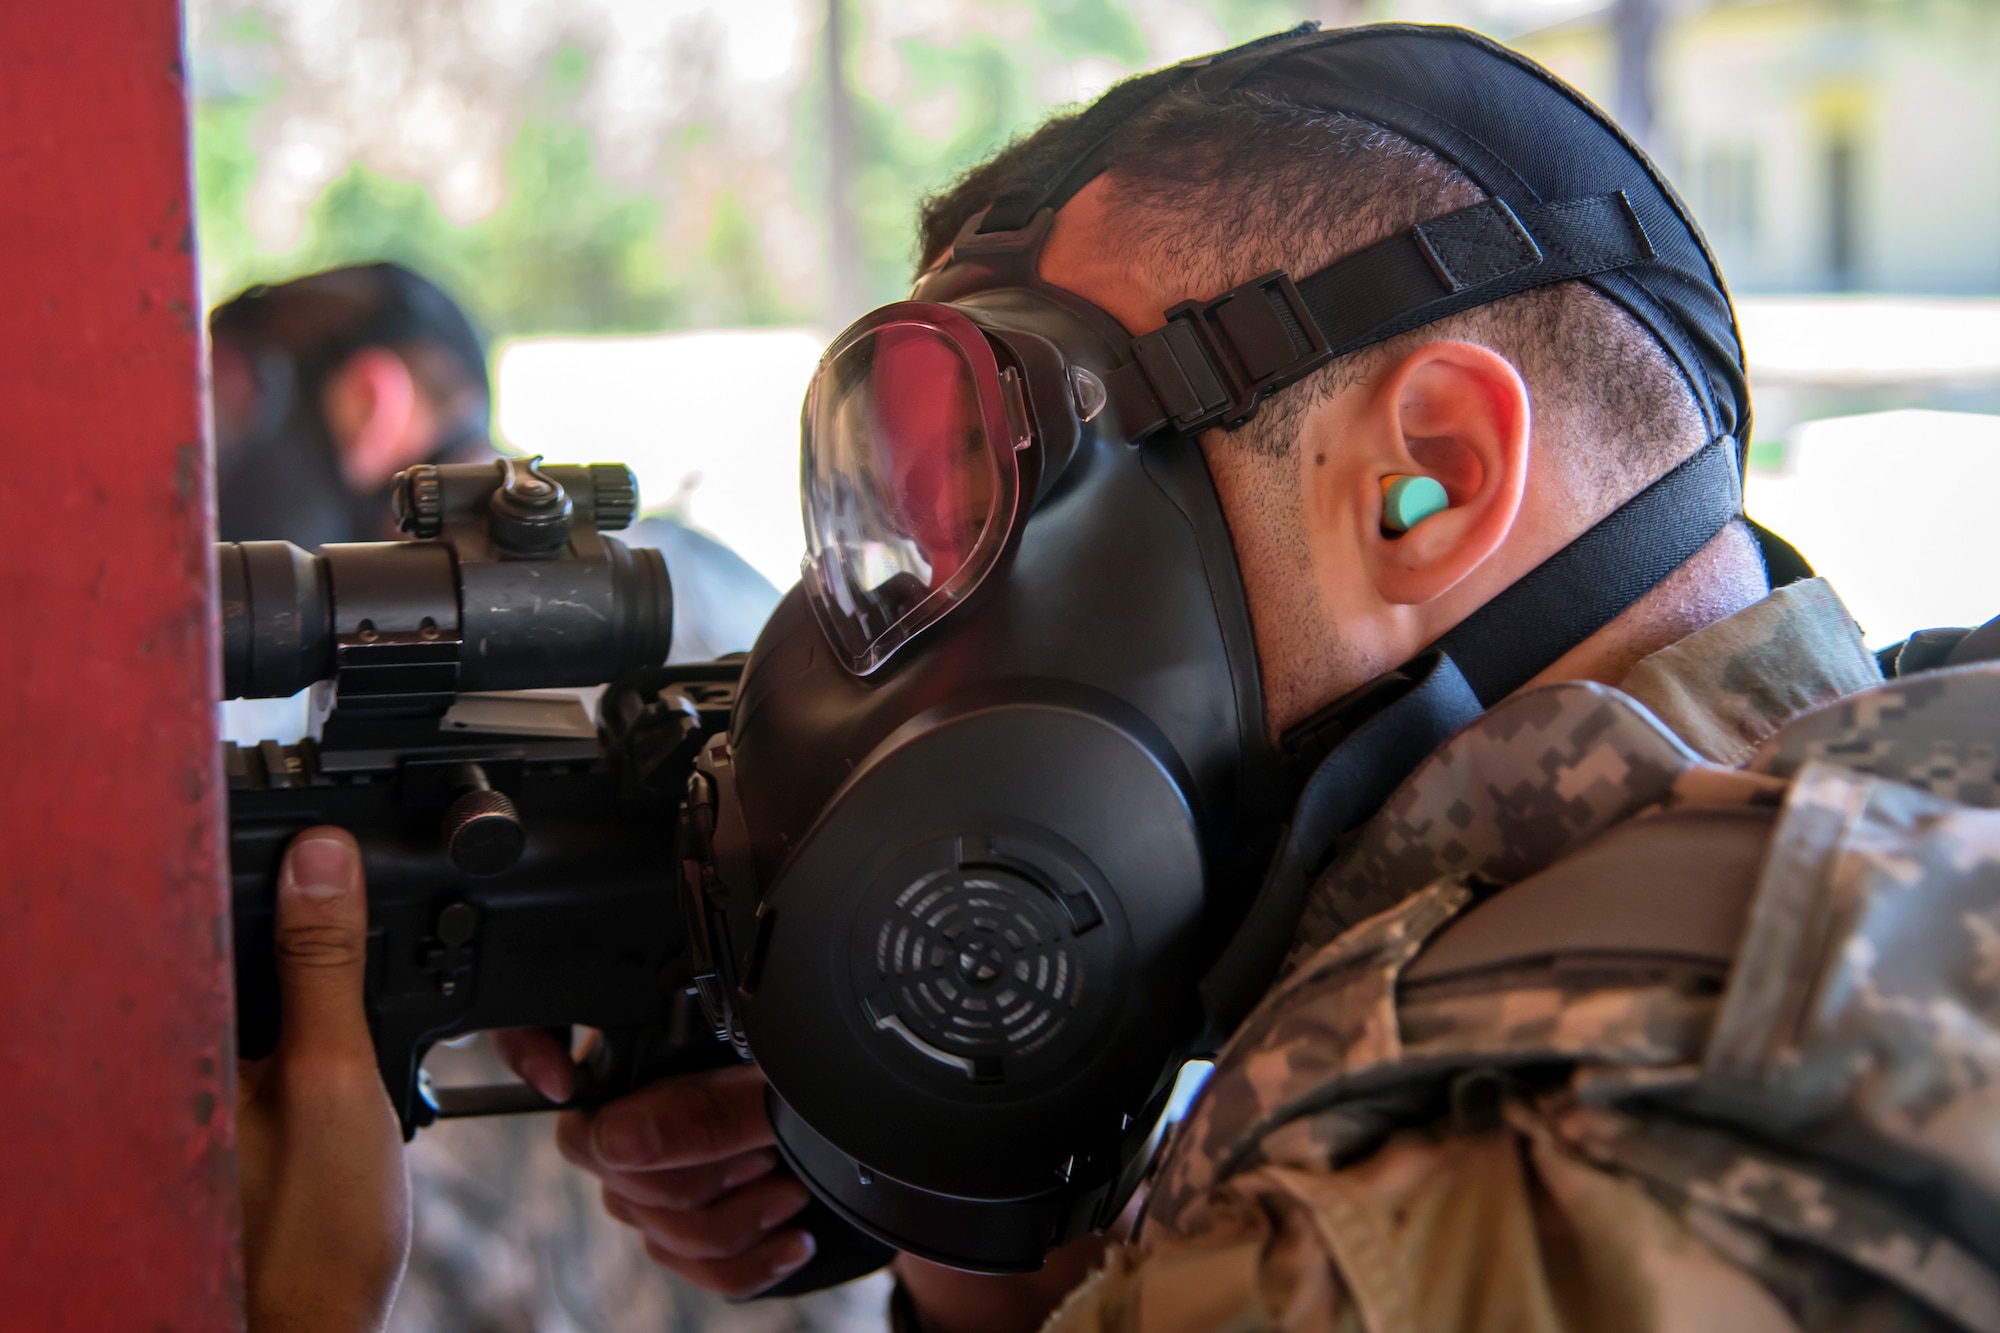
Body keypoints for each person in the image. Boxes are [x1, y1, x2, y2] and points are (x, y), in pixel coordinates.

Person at [243, 24, 1997, 1333]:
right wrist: (984, 1170)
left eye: (1012, 496)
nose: (922, 633)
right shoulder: (1889, 795)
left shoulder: (1527, 1174)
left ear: (1434, 479)